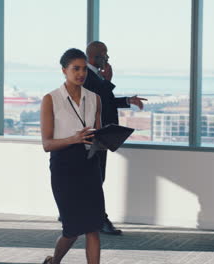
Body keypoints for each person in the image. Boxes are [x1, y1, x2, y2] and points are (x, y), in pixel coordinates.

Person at [41, 48, 104, 264]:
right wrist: (74, 139)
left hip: (90, 166)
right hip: (64, 168)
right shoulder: (51, 99)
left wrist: (108, 140)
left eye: (84, 69)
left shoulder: (95, 98)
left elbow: (99, 135)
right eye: (75, 68)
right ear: (64, 70)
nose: (81, 73)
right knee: (72, 229)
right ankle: (54, 260)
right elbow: (47, 144)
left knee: (93, 227)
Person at [83, 41, 147, 235]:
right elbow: (97, 101)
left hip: (102, 134)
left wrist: (128, 100)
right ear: (96, 56)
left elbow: (107, 102)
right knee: (95, 178)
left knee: (97, 178)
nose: (108, 59)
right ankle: (99, 219)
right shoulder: (86, 76)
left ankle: (87, 215)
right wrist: (108, 80)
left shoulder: (96, 76)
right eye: (106, 55)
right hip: (95, 134)